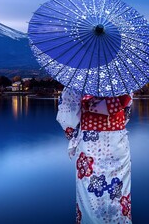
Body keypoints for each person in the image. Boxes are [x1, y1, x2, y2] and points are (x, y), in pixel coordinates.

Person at [57, 87, 133, 224]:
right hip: (118, 142)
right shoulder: (122, 80)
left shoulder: (80, 80)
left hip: (91, 143)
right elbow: (126, 111)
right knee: (118, 193)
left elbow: (67, 114)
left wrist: (74, 133)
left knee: (90, 197)